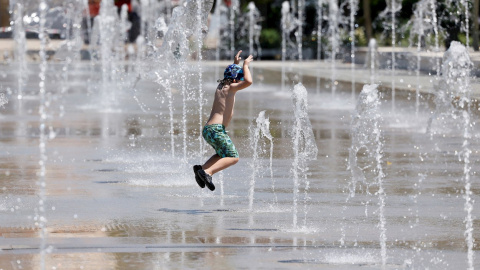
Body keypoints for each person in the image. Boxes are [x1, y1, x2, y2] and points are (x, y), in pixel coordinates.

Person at [193, 50, 254, 191]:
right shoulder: (231, 87)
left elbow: (232, 76)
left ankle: (201, 169)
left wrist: (235, 64)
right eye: (238, 79)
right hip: (216, 130)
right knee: (233, 157)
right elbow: (249, 81)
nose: (239, 82)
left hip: (208, 129)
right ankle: (208, 172)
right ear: (234, 80)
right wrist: (245, 65)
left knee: (222, 154)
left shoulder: (221, 87)